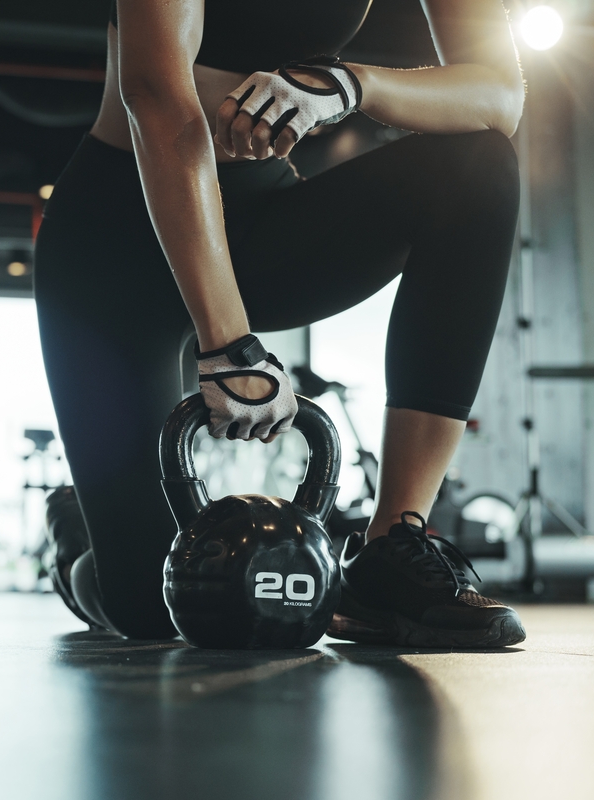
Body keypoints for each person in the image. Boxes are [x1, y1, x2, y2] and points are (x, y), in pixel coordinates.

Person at [34, 0, 527, 647]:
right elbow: (156, 96)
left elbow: (498, 95)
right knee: (157, 608)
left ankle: (391, 548)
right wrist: (228, 338)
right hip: (117, 241)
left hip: (257, 217)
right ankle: (81, 542)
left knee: (480, 166)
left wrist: (353, 84)